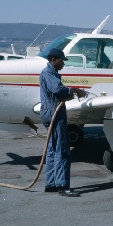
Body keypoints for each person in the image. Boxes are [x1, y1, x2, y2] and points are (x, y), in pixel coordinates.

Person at [39, 48, 86, 197]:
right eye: (61, 60)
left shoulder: (48, 73)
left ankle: (51, 183)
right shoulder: (48, 73)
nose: (63, 64)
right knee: (62, 149)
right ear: (54, 59)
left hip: (49, 111)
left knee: (53, 148)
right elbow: (57, 88)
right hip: (54, 113)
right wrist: (75, 90)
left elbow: (55, 92)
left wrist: (66, 95)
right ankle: (62, 185)